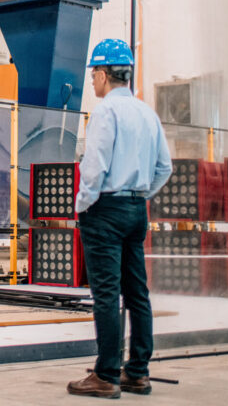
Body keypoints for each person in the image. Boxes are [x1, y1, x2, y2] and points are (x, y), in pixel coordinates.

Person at [66, 39, 172, 399]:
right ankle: (137, 372)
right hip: (135, 209)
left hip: (105, 210)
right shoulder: (147, 113)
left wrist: (83, 205)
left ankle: (106, 374)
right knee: (137, 292)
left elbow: (93, 168)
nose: (92, 82)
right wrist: (141, 194)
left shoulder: (105, 113)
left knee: (107, 294)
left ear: (101, 73)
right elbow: (164, 167)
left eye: (93, 74)